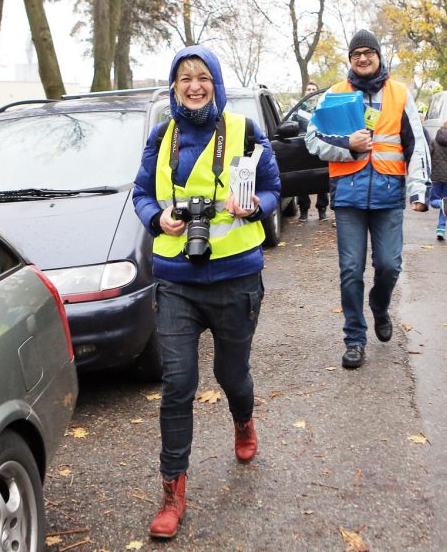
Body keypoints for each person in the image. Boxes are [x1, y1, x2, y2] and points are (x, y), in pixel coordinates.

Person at [132, 45, 280, 539]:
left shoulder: (245, 130)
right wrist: (159, 218)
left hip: (237, 278)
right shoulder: (161, 136)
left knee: (232, 374)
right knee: (177, 384)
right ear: (174, 87)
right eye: (184, 78)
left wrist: (255, 205)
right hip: (177, 281)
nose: (194, 85)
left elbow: (275, 187)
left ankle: (243, 418)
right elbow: (141, 193)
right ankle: (173, 491)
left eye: (203, 77)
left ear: (216, 82)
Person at [304, 29, 430, 369]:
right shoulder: (333, 95)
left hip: (389, 196)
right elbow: (312, 141)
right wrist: (348, 145)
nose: (362, 58)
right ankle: (354, 339)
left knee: (389, 266)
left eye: (368, 52)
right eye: (356, 53)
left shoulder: (400, 94)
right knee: (350, 271)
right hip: (348, 197)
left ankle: (379, 305)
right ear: (350, 59)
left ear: (378, 56)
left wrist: (419, 189)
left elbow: (415, 143)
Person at [296, 81, 329, 221]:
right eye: (308, 89)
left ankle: (322, 209)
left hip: (320, 148)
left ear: (317, 92)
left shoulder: (322, 109)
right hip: (301, 150)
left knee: (322, 179)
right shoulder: (297, 111)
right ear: (304, 92)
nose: (311, 91)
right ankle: (303, 210)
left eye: (313, 89)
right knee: (301, 181)